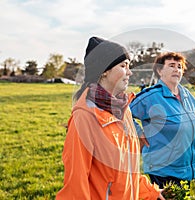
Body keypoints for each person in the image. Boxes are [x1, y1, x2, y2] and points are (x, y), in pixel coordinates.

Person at [56, 36, 165, 200]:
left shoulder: (124, 109)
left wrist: (150, 193)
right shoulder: (85, 118)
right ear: (104, 71)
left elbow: (128, 170)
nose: (130, 72)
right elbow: (75, 186)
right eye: (123, 66)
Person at [130, 52, 195, 189]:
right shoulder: (151, 96)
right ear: (160, 70)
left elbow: (194, 130)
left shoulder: (188, 96)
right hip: (162, 170)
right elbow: (122, 112)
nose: (176, 69)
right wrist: (138, 132)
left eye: (179, 67)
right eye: (171, 65)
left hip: (186, 169)